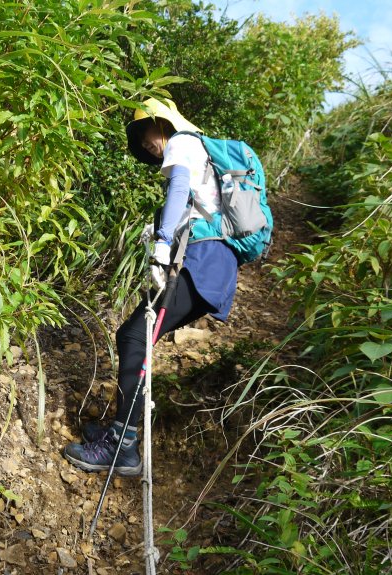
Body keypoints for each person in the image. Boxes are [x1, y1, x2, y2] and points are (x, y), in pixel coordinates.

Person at [62, 98, 239, 476]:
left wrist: (161, 244)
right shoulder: (202, 152)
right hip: (209, 266)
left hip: (201, 263)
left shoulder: (183, 142)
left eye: (145, 134)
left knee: (134, 338)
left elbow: (178, 189)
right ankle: (119, 432)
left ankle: (123, 447)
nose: (146, 145)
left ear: (162, 124)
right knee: (134, 335)